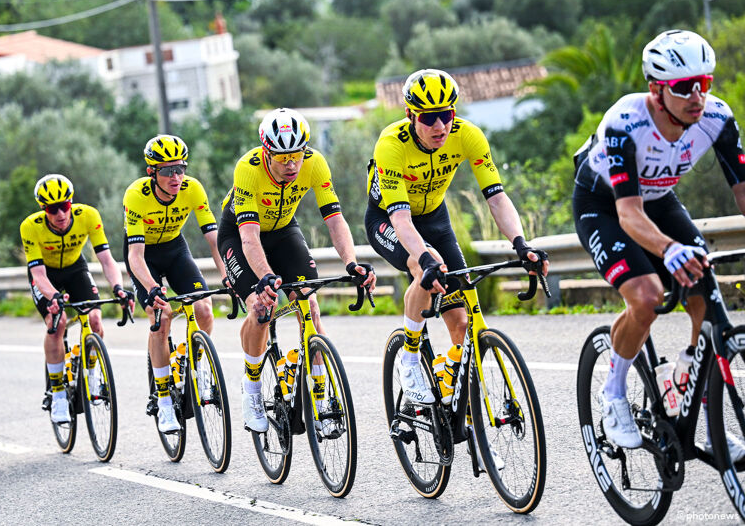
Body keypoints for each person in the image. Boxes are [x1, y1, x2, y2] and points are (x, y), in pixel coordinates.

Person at [572, 30, 745, 457]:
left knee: (705, 290)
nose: (697, 97)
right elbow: (628, 213)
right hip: (605, 205)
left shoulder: (717, 119)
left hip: (658, 199)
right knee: (648, 298)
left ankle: (695, 386)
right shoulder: (624, 122)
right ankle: (612, 394)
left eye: (703, 84)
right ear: (655, 90)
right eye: (684, 87)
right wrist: (668, 249)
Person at [365, 68, 548, 407]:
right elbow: (402, 220)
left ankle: (451, 387)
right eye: (429, 117)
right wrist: (425, 260)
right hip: (388, 220)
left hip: (435, 218)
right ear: (410, 114)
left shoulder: (468, 135)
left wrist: (521, 243)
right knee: (426, 267)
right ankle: (409, 358)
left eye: (446, 115)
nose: (440, 126)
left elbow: (496, 197)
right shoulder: (391, 145)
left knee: (463, 323)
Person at [217, 108, 375, 434]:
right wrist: (264, 277)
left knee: (309, 303)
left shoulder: (314, 162)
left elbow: (334, 220)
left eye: (297, 156)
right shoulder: (248, 169)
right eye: (282, 158)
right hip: (240, 234)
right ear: (266, 152)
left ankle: (320, 401)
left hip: (284, 230)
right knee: (261, 306)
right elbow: (248, 237)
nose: (292, 165)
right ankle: (251, 392)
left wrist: (351, 263)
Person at [123, 135, 228, 433]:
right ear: (152, 173)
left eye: (180, 168)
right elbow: (135, 255)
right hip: (145, 258)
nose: (176, 177)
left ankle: (197, 368)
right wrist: (152, 288)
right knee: (162, 317)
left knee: (204, 309)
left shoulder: (193, 188)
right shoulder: (136, 195)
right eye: (167, 171)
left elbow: (213, 238)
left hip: (175, 249)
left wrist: (227, 273)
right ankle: (164, 398)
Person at [19, 174, 130, 424]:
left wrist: (118, 288)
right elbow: (37, 274)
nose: (60, 214)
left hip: (75, 269)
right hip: (46, 275)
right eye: (52, 209)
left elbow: (106, 260)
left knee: (94, 319)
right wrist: (53, 296)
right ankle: (57, 392)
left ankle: (91, 374)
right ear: (43, 209)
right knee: (56, 323)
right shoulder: (30, 226)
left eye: (64, 206)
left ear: (72, 202)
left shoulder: (88, 215)